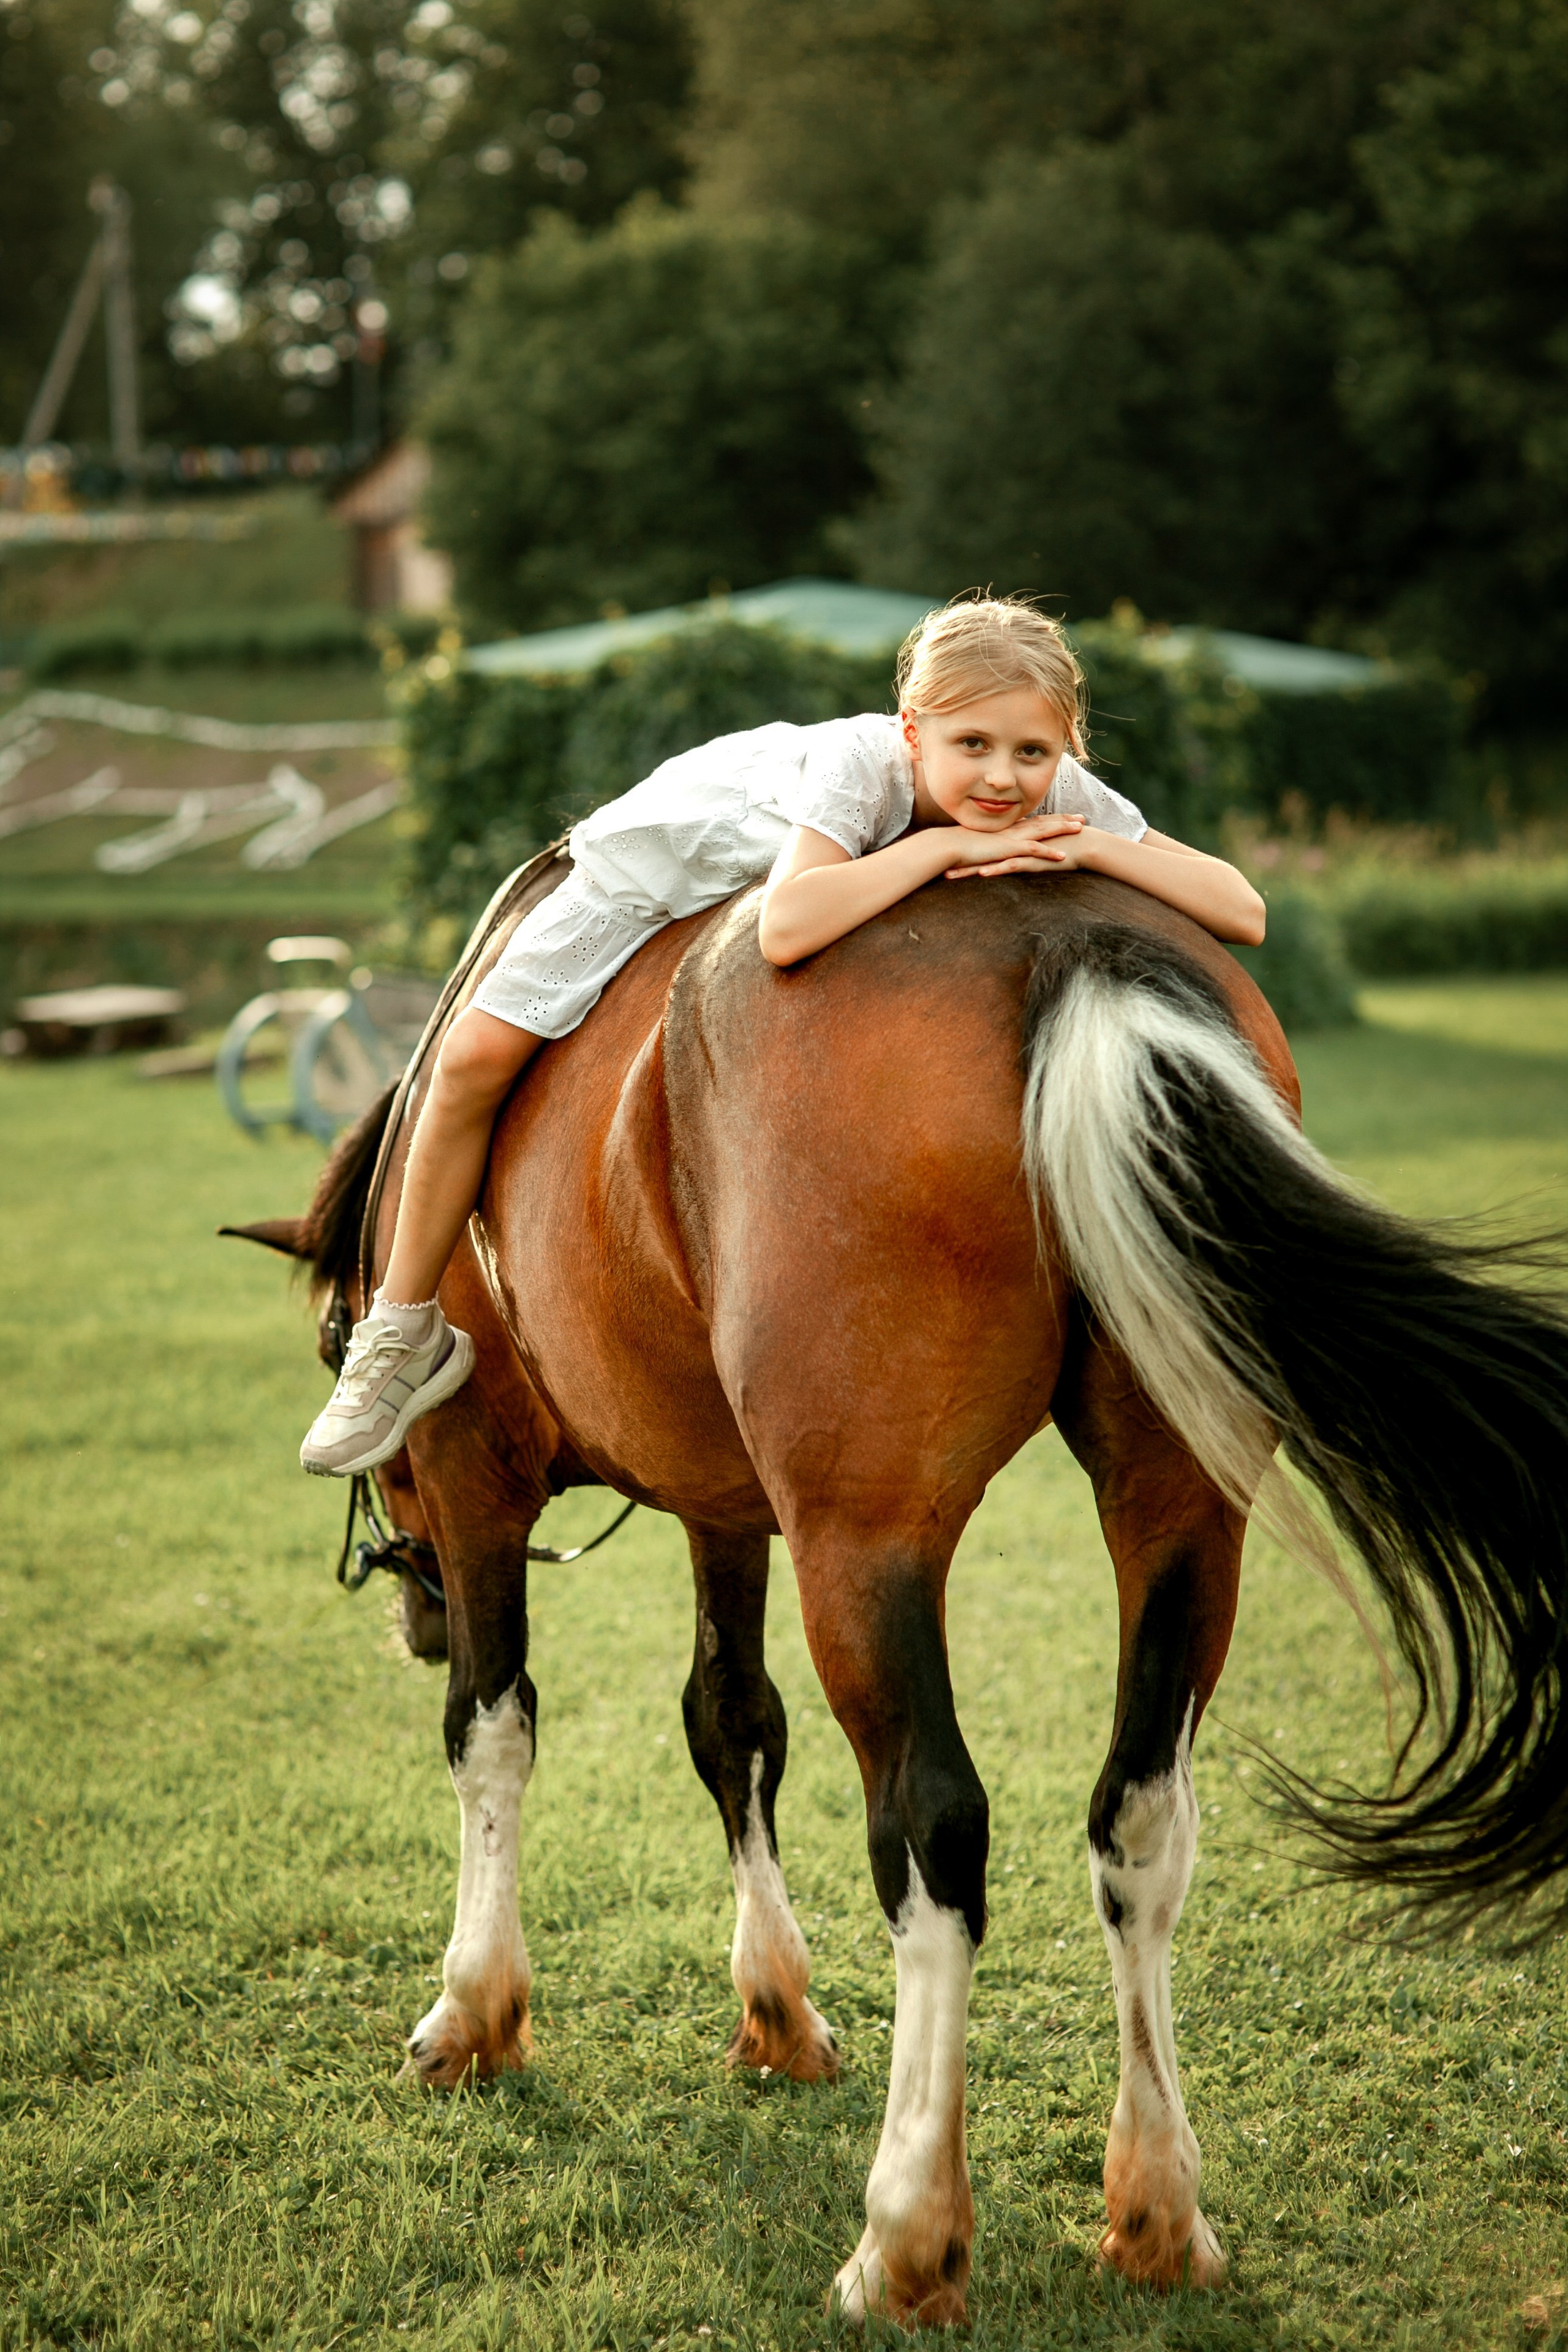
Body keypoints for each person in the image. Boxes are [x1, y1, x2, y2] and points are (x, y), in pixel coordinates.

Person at [301, 595, 1265, 1477]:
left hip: (806, 872)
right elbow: (787, 924)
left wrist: (1097, 844)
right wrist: (942, 845)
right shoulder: (859, 767)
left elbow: (1243, 911)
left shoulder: (1057, 794)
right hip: (671, 862)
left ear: (1065, 749)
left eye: (1033, 753)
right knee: (470, 1059)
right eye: (971, 745)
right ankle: (403, 1327)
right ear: (912, 731)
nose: (1003, 779)